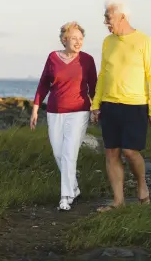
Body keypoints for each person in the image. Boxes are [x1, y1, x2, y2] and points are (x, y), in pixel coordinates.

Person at [91, 1, 151, 211]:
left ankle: (142, 186)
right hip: (110, 104)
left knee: (131, 152)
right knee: (111, 152)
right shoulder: (107, 42)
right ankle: (118, 202)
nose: (105, 22)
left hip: (135, 105)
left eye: (108, 18)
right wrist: (96, 104)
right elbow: (103, 74)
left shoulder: (144, 41)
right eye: (105, 18)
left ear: (122, 17)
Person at [30, 21, 97, 211]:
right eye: (74, 38)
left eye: (81, 39)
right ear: (64, 39)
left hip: (79, 111)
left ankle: (65, 197)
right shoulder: (53, 57)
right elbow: (44, 83)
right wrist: (36, 108)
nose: (78, 42)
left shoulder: (87, 60)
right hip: (54, 111)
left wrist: (96, 108)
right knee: (58, 153)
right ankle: (73, 187)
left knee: (69, 154)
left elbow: (94, 86)